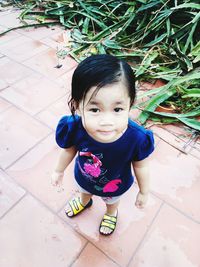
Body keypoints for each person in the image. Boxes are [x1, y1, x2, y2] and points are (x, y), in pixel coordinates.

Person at [52, 54, 154, 236]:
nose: (107, 121)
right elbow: (68, 150)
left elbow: (141, 166)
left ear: (130, 104)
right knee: (84, 191)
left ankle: (111, 213)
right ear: (77, 105)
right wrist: (58, 170)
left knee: (111, 201)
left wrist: (144, 191)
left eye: (117, 110)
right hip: (84, 177)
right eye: (94, 109)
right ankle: (84, 201)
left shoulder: (137, 138)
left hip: (114, 184)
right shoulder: (75, 127)